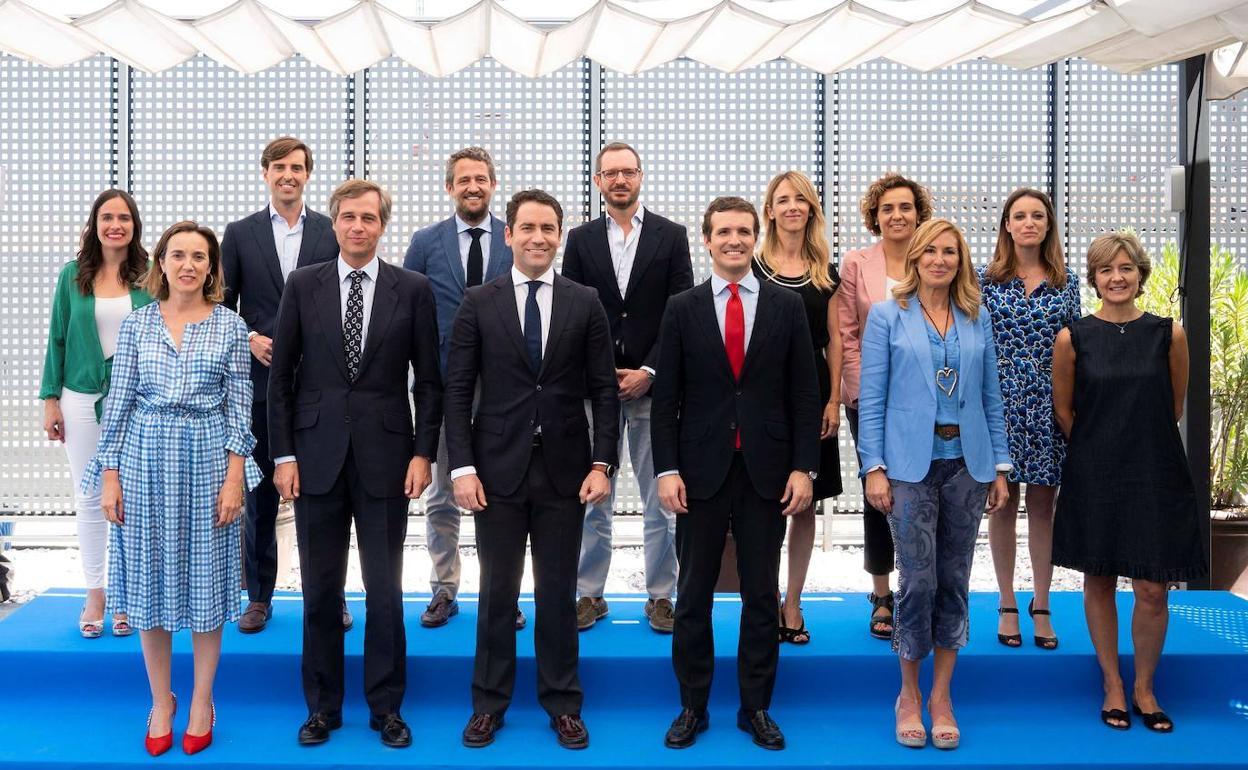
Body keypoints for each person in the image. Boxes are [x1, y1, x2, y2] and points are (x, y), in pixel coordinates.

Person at [268, 179, 442, 749]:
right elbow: (281, 380)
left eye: (369, 218)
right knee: (320, 589)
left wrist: (423, 452)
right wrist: (285, 454)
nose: (358, 227)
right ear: (335, 222)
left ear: (382, 225)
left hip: (388, 460)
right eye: (348, 217)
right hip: (314, 459)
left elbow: (430, 382)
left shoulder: (411, 288)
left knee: (385, 590)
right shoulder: (303, 285)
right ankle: (323, 707)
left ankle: (386, 707)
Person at [446, 189, 618, 751]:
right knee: (497, 591)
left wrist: (603, 462)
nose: (538, 237)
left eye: (548, 228)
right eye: (528, 228)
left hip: (567, 471)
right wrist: (463, 468)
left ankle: (563, 703)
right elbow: (457, 390)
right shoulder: (479, 300)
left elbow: (603, 390)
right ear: (509, 235)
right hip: (495, 471)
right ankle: (488, 705)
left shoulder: (584, 300)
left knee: (558, 591)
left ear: (560, 235)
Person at [82, 220, 262, 756]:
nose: (188, 264)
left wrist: (236, 477)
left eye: (199, 257)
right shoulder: (138, 326)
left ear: (211, 268)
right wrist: (109, 475)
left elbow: (239, 406)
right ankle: (162, 700)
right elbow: (118, 403)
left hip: (209, 461)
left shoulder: (231, 326)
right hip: (142, 461)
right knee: (147, 584)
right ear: (161, 262)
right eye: (178, 254)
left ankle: (203, 700)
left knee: (207, 583)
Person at [653, 196, 820, 752]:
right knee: (693, 594)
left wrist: (804, 467)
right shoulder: (681, 308)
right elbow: (666, 399)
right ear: (707, 240)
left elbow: (803, 392)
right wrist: (667, 470)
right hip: (698, 471)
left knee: (759, 595)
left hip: (767, 471)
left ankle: (756, 708)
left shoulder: (785, 305)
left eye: (744, 231)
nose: (734, 240)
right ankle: (692, 706)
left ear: (757, 236)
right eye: (723, 232)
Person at [857, 218, 1010, 750]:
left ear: (960, 260)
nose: (940, 260)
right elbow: (871, 399)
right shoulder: (886, 317)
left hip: (968, 465)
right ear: (915, 257)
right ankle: (908, 694)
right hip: (907, 467)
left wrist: (1002, 466)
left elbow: (991, 397)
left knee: (954, 581)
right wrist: (872, 467)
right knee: (916, 581)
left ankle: (942, 695)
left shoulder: (977, 317)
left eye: (950, 251)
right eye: (931, 251)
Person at [1051, 232, 1206, 733]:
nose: (1116, 278)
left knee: (1151, 587)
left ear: (1140, 274)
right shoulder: (1072, 337)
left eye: (1125, 269)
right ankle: (1113, 683)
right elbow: (1064, 410)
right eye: (1105, 270)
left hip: (1154, 470)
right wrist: (1101, 447)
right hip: (1095, 470)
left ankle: (1145, 686)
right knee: (1098, 576)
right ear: (1093, 279)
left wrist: (1135, 444)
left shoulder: (1169, 334)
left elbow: (1174, 405)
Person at [562, 142, 693, 634]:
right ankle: (589, 594)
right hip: (594, 392)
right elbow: (573, 312)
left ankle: (662, 596)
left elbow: (680, 312)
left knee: (663, 498)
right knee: (593, 496)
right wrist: (602, 376)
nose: (620, 180)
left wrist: (650, 371)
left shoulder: (671, 236)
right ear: (598, 181)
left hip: (654, 390)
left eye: (628, 172)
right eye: (610, 173)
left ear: (641, 176)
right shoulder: (578, 239)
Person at [220, 136, 345, 635]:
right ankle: (259, 597)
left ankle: (329, 597)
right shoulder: (240, 233)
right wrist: (248, 337)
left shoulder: (330, 230)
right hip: (261, 387)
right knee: (262, 500)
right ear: (265, 173)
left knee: (324, 500)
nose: (288, 175)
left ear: (308, 174)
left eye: (297, 167)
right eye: (279, 167)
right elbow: (220, 306)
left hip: (321, 389)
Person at [403, 146, 517, 630]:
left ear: (493, 185)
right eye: (464, 179)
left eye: (482, 179)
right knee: (444, 494)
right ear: (449, 187)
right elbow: (407, 310)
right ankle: (444, 589)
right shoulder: (426, 241)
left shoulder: (516, 239)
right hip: (445, 384)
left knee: (504, 496)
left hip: (505, 390)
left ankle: (502, 594)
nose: (473, 186)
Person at [40, 189, 153, 638]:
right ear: (95, 223)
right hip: (81, 397)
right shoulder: (73, 276)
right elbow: (57, 339)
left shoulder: (149, 276)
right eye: (107, 217)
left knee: (131, 500)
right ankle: (97, 592)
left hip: (139, 401)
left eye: (124, 218)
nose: (115, 225)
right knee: (89, 497)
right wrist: (50, 398)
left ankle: (127, 595)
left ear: (134, 226)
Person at [979, 188, 1080, 650]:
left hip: (1048, 406)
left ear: (1048, 224)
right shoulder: (984, 281)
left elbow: (1079, 350)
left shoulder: (1067, 282)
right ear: (1006, 225)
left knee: (1044, 506)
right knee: (1002, 504)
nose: (1028, 223)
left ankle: (1042, 603)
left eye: (1037, 215)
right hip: (997, 406)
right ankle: (1005, 602)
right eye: (1019, 216)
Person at [837, 172, 932, 640]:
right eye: (887, 208)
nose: (897, 215)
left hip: (931, 401)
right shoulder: (857, 263)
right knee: (880, 494)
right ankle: (881, 593)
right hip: (871, 401)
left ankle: (923, 589)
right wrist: (858, 392)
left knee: (927, 490)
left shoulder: (935, 259)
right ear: (875, 216)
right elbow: (847, 334)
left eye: (905, 207)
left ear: (919, 213)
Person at [753, 170, 842, 645]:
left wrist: (831, 399)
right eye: (782, 199)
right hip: (764, 398)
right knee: (763, 503)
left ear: (811, 209)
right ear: (769, 209)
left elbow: (833, 343)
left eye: (800, 200)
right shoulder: (751, 266)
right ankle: (764, 601)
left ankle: (792, 602)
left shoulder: (825, 272)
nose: (791, 207)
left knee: (804, 503)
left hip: (810, 397)